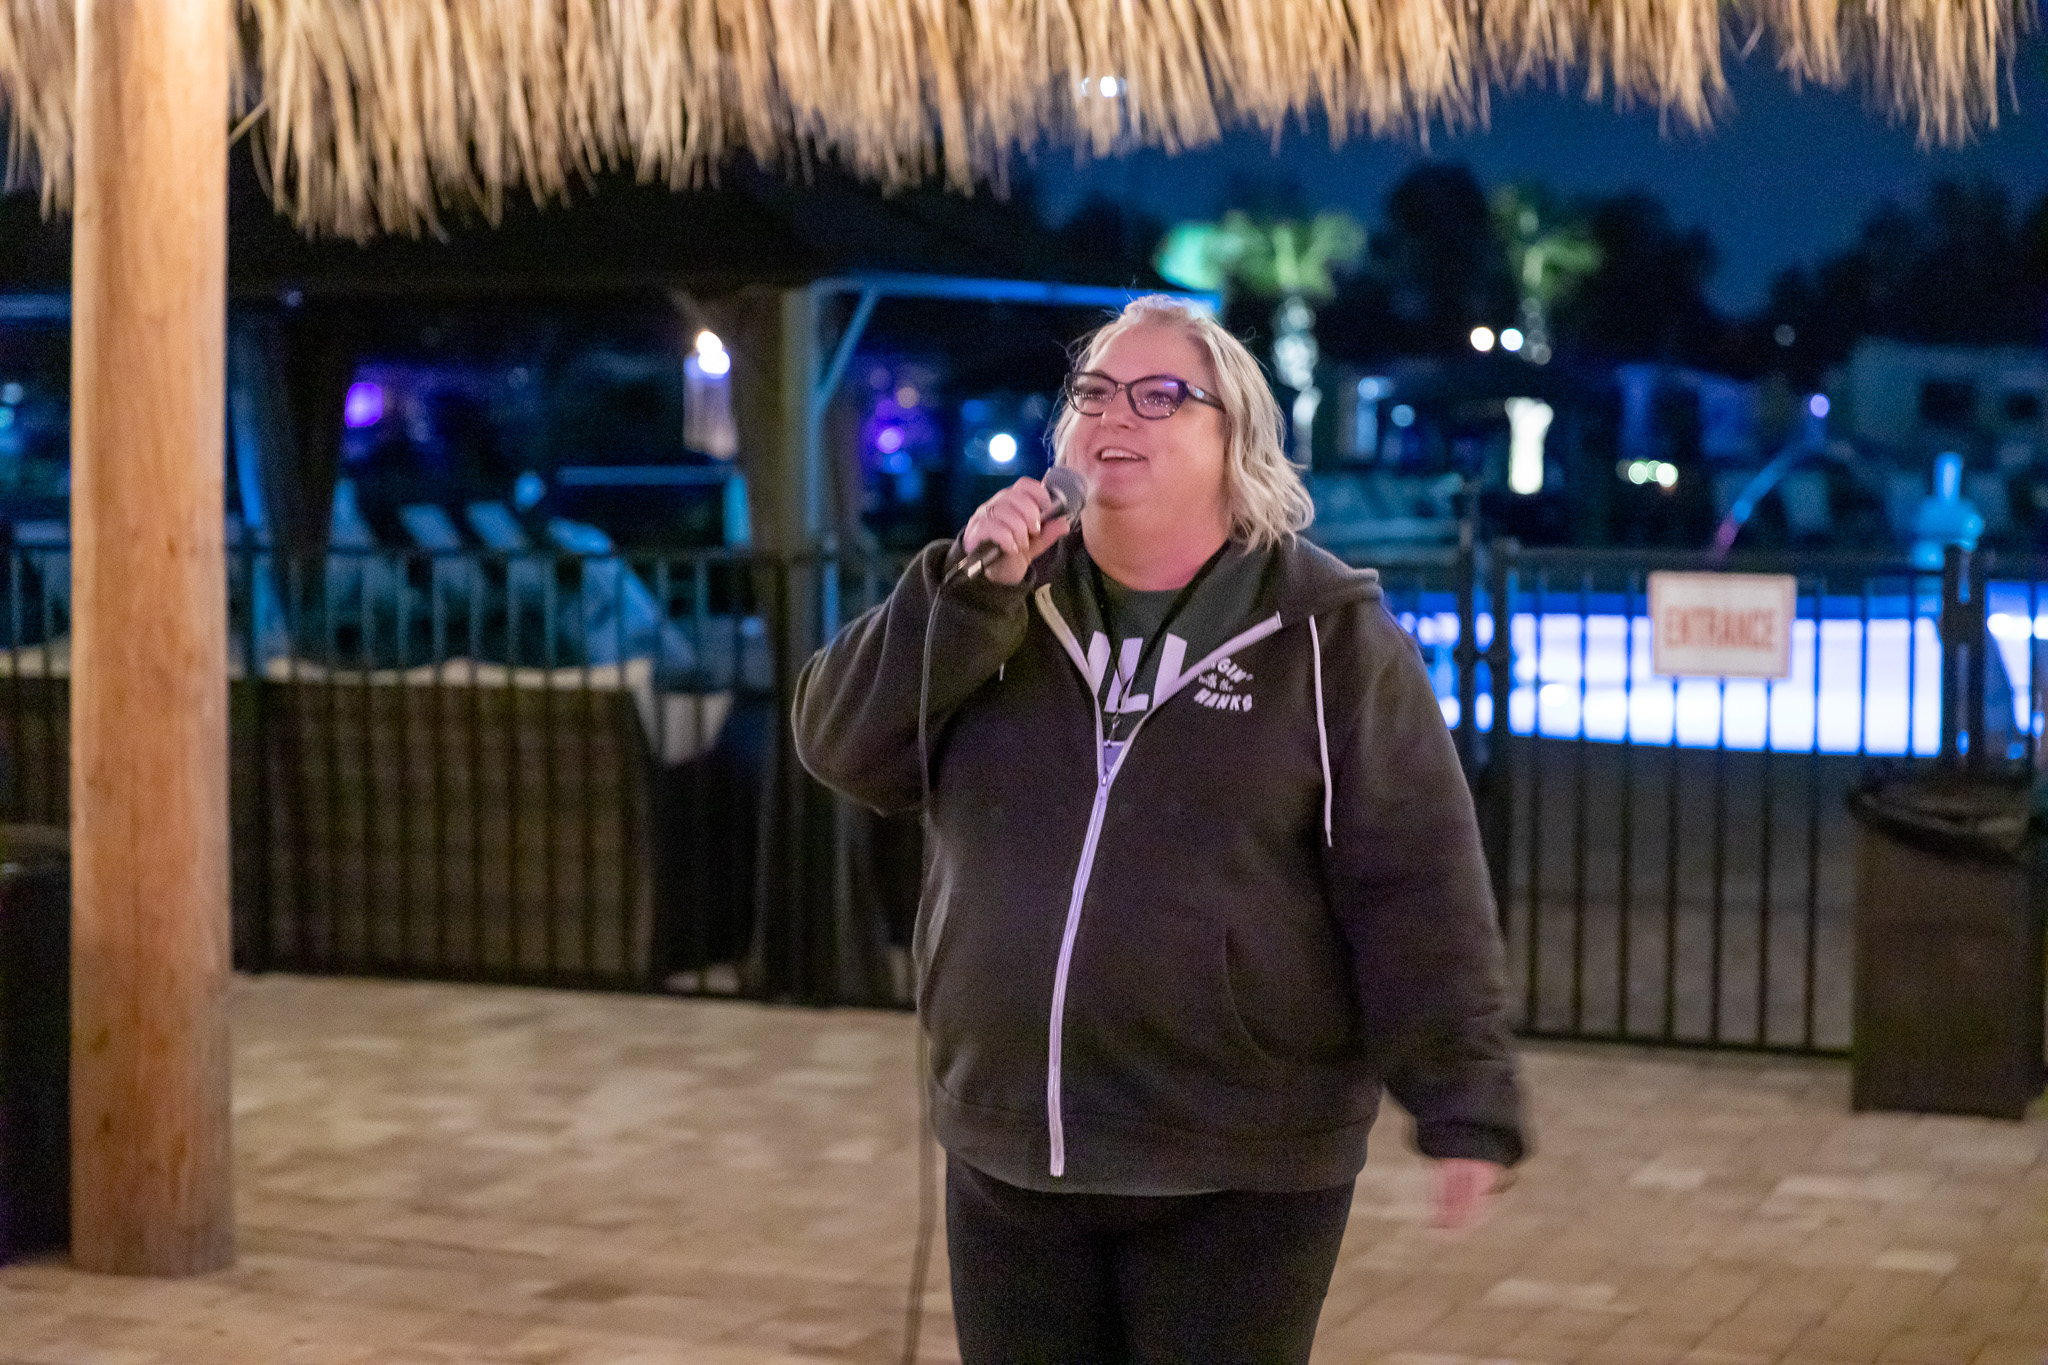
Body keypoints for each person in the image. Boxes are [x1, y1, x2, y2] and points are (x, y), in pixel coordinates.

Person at [793, 295, 1526, 1363]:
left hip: (1238, 1165)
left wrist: (1464, 1102)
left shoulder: (1327, 639)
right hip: (1010, 1148)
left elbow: (1416, 880)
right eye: (1093, 393)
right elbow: (840, 744)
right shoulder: (995, 603)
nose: (1111, 415)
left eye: (1157, 395)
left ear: (1237, 442)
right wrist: (966, 596)